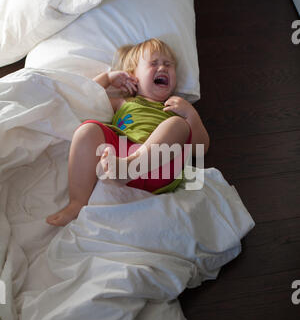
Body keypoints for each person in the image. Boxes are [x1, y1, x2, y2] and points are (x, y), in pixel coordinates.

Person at [46, 38, 209, 226]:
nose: (162, 68)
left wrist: (191, 115)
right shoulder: (124, 103)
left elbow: (201, 148)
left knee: (177, 125)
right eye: (154, 63)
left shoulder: (177, 108)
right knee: (87, 130)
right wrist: (108, 79)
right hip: (117, 161)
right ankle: (77, 202)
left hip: (159, 167)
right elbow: (87, 98)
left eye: (168, 64)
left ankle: (129, 167)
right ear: (133, 75)